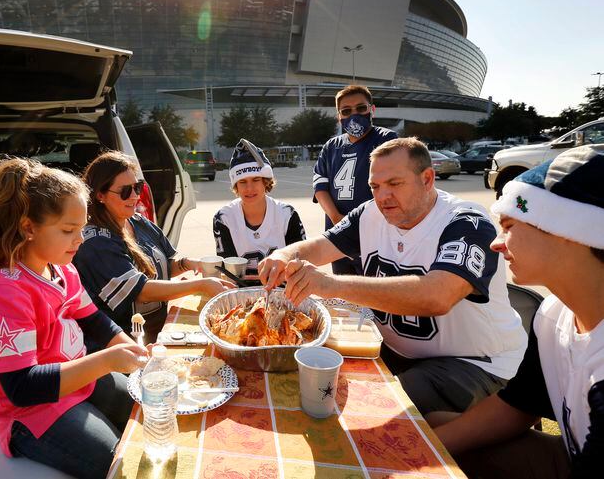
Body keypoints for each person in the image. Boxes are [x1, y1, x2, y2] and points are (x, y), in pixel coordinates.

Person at [259, 137, 526, 415]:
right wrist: (283, 256)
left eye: (394, 184)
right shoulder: (371, 213)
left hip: (473, 362)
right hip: (394, 352)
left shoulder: (466, 222)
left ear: (427, 178)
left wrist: (331, 285)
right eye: (375, 186)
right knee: (311, 379)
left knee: (371, 410)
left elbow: (438, 296)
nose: (383, 196)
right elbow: (319, 246)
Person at [0, 158, 147, 479]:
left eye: (81, 229)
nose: (80, 240)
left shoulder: (62, 268)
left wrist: (131, 349)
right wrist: (107, 361)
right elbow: (22, 387)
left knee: (148, 406)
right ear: (29, 227)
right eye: (69, 230)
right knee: (120, 463)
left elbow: (93, 319)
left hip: (75, 379)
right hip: (30, 412)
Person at [429, 146, 604, 479]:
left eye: (508, 226)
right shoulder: (554, 314)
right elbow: (519, 404)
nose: (496, 243)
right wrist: (423, 448)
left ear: (569, 233)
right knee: (432, 425)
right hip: (572, 455)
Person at [74, 151, 235, 343]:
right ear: (100, 195)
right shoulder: (95, 242)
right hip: (125, 345)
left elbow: (164, 265)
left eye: (137, 187)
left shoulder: (137, 221)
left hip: (159, 333)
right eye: (125, 191)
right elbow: (141, 291)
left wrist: (188, 263)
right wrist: (200, 285)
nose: (135, 196)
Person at [312, 85, 397, 274]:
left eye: (361, 108)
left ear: (372, 109)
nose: (354, 114)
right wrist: (337, 219)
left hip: (375, 235)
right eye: (346, 111)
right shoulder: (331, 147)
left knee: (377, 297)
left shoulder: (386, 140)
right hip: (339, 236)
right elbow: (320, 188)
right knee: (344, 297)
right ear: (338, 116)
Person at [213, 138, 306, 276]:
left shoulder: (287, 214)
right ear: (235, 185)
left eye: (256, 180)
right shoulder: (224, 218)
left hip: (284, 290)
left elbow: (300, 264)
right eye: (242, 182)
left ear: (265, 182)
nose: (249, 188)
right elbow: (229, 273)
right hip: (240, 292)